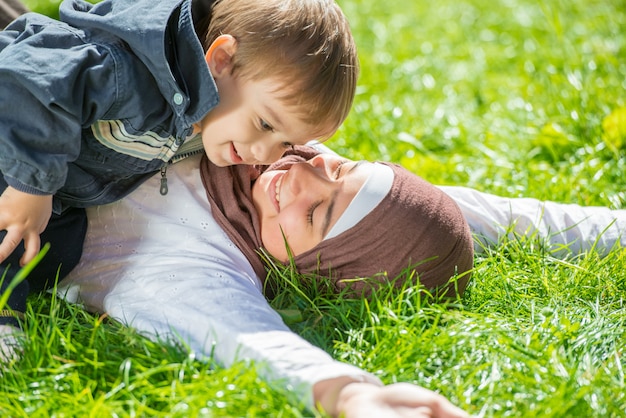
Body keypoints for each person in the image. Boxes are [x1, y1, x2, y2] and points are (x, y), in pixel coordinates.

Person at [0, 0, 358, 328]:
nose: (266, 155)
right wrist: (32, 186)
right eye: (265, 124)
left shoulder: (214, 106)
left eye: (286, 143)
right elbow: (28, 84)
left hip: (66, 192)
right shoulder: (129, 76)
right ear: (221, 61)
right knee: (11, 226)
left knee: (59, 251)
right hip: (14, 145)